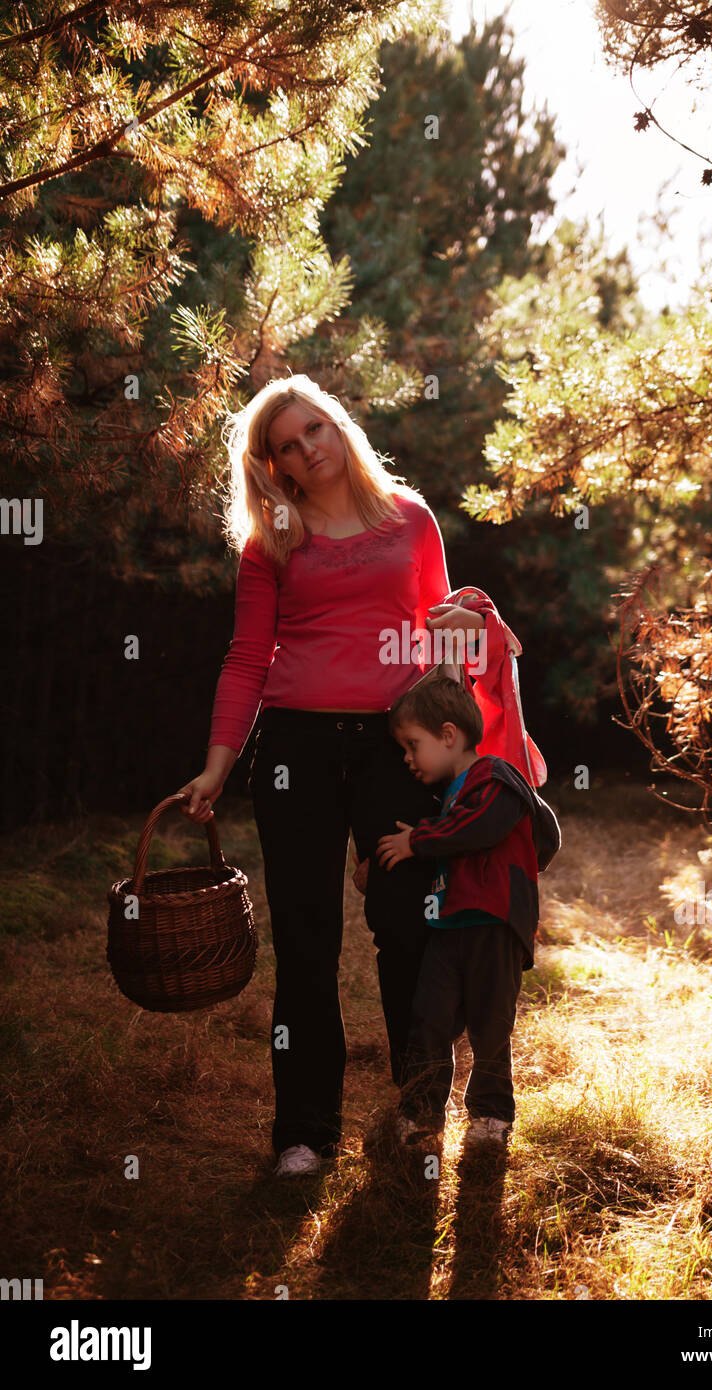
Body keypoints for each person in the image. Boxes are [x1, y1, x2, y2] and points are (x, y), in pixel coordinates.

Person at [176, 373, 484, 1177]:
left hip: (398, 748)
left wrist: (464, 726)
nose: (308, 448)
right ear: (273, 465)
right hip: (295, 754)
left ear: (337, 426)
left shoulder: (409, 518)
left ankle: (420, 1111)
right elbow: (247, 659)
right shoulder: (270, 541)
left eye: (315, 428)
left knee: (407, 925)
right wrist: (217, 768)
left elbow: (439, 637)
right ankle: (304, 1134)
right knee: (307, 937)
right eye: (287, 443)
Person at [376, 676, 561, 1149]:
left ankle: (491, 1117)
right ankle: (421, 1116)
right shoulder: (453, 795)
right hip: (450, 926)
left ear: (448, 735)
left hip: (495, 925)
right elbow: (457, 833)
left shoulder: (494, 776)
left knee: (490, 1025)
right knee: (429, 1020)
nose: (407, 758)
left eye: (412, 745)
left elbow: (485, 827)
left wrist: (419, 839)